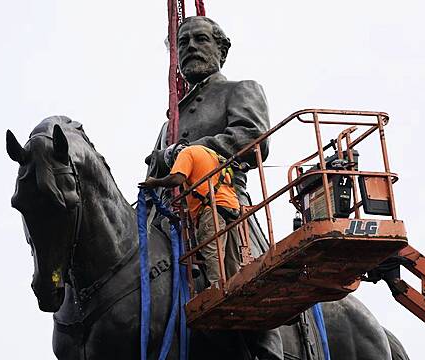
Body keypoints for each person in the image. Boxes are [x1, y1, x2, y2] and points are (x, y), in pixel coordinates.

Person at [145, 16, 283, 360]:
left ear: (221, 50)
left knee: (247, 273)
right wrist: (165, 156)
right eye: (183, 43)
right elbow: (154, 164)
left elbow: (252, 138)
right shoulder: (170, 122)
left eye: (200, 40)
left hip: (222, 201)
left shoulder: (239, 89)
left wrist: (191, 153)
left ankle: (267, 344)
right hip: (170, 215)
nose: (190, 47)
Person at [140, 143, 241, 286]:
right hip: (231, 207)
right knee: (231, 256)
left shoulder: (186, 153)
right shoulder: (211, 154)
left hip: (211, 209)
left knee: (213, 252)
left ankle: (218, 289)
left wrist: (155, 182)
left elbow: (176, 178)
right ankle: (236, 285)